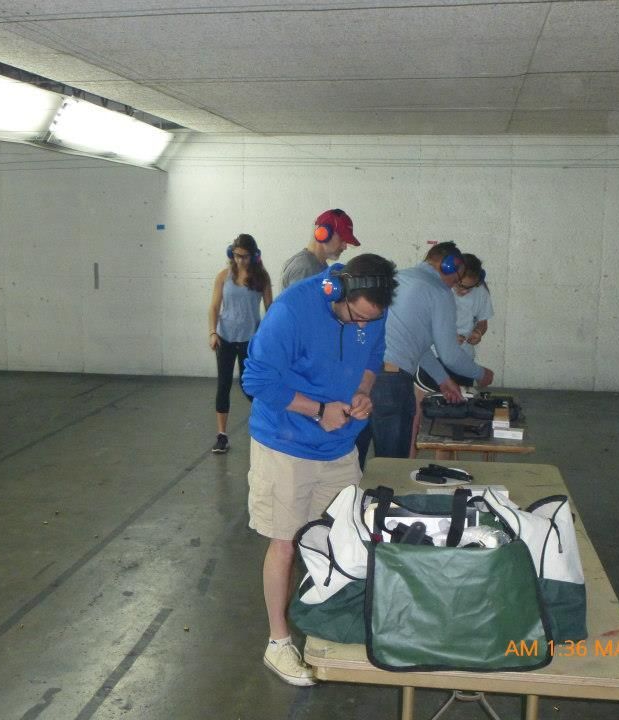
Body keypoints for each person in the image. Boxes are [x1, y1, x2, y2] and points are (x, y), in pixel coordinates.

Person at [242, 253, 397, 686]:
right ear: (337, 291)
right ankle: (278, 643)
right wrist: (317, 410)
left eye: (371, 318)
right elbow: (256, 381)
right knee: (286, 542)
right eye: (356, 317)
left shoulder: (372, 310)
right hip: (285, 446)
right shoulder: (291, 311)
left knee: (343, 538)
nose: (362, 325)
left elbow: (373, 358)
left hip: (339, 445)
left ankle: (331, 625)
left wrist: (363, 393)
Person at [371, 242, 495, 459]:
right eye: (457, 278)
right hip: (391, 380)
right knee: (392, 462)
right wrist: (481, 374)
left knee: (366, 458)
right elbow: (449, 355)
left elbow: (417, 345)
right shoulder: (439, 292)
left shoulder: (400, 278)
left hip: (365, 375)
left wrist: (442, 379)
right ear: (448, 266)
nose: (455, 285)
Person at [409, 254, 494, 456]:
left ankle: (445, 471)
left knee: (449, 422)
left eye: (468, 288)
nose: (462, 291)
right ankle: (408, 464)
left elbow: (483, 322)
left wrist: (477, 333)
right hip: (433, 359)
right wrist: (444, 336)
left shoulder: (481, 293)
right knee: (417, 418)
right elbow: (422, 324)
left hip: (462, 362)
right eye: (460, 285)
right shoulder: (439, 290)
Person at [207, 234, 273, 453]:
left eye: (245, 257)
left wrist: (267, 338)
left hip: (250, 340)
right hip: (225, 338)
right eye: (237, 256)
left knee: (250, 387)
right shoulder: (223, 276)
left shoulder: (261, 278)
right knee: (223, 385)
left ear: (253, 256)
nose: (240, 261)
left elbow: (270, 310)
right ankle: (222, 435)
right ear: (231, 254)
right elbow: (214, 307)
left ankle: (264, 427)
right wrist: (212, 332)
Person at [279, 208, 359, 289]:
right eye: (342, 239)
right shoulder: (305, 267)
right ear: (323, 233)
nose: (345, 247)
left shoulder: (317, 266)